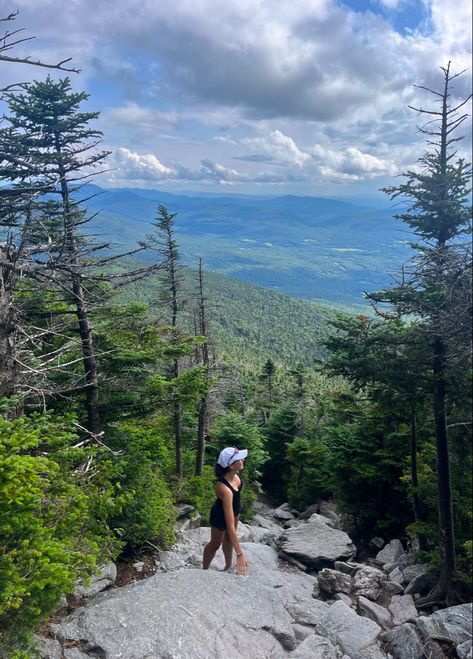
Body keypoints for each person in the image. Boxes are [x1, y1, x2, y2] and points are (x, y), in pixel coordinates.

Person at [202, 446, 249, 576]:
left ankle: (228, 567)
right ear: (231, 465)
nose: (243, 460)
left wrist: (236, 513)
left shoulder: (236, 476)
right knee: (215, 544)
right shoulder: (223, 488)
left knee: (228, 539)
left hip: (235, 510)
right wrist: (240, 554)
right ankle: (204, 571)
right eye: (239, 459)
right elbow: (230, 527)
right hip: (220, 516)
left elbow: (236, 498)